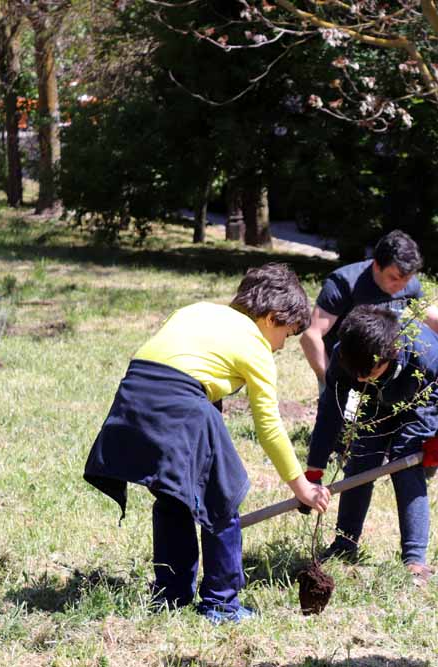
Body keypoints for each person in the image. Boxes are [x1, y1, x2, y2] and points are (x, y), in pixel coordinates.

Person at [83, 263, 331, 624]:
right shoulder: (256, 345)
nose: (281, 347)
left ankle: (171, 594)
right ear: (272, 318)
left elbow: (192, 371)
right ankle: (221, 602)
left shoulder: (197, 310)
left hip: (135, 394)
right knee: (221, 501)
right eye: (288, 336)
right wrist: (301, 486)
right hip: (180, 401)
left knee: (173, 497)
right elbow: (270, 427)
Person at [305, 305, 438, 584]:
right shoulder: (346, 356)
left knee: (404, 464)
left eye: (368, 371)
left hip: (421, 398)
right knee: (360, 462)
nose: (359, 377)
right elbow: (330, 412)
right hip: (376, 400)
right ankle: (344, 544)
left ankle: (415, 560)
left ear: (391, 354)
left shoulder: (425, 354)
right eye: (354, 371)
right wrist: (315, 469)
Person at [300, 229, 438, 390]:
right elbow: (311, 336)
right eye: (394, 278)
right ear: (376, 266)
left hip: (386, 362)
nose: (401, 286)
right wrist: (331, 382)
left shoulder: (409, 284)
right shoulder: (343, 284)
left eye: (406, 280)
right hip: (348, 364)